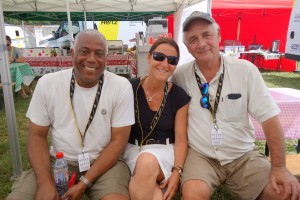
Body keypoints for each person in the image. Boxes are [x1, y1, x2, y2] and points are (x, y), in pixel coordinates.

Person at [171, 11, 300, 200]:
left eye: (207, 35)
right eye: (193, 39)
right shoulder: (179, 77)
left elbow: (269, 119)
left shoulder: (245, 71)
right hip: (201, 156)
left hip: (242, 156)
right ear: (187, 48)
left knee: (285, 194)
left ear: (219, 35)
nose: (201, 44)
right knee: (192, 195)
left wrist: (279, 167)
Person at [7, 29, 135, 200]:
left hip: (104, 163)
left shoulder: (121, 86)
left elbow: (119, 141)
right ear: (72, 53)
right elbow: (37, 136)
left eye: (99, 53)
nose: (91, 59)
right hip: (58, 161)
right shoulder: (48, 83)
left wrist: (84, 183)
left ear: (106, 58)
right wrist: (45, 182)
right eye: (84, 51)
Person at [123, 37, 190, 200]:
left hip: (165, 150)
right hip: (133, 149)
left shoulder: (179, 95)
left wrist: (177, 172)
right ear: (149, 57)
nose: (165, 64)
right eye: (159, 57)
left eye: (172, 60)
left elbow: (181, 139)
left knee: (146, 163)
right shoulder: (128, 88)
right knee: (154, 195)